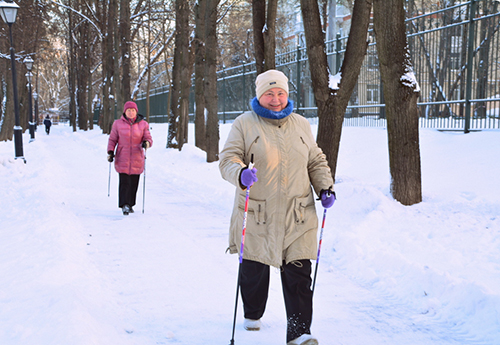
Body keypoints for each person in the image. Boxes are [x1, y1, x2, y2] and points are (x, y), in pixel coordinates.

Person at [219, 69, 336, 345]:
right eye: (269, 93)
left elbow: (315, 160)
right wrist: (240, 174)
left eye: (280, 93)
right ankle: (252, 312)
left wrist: (325, 187)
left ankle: (299, 333)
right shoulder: (244, 124)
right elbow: (228, 159)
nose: (276, 99)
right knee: (254, 271)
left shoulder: (301, 125)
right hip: (258, 213)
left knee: (298, 275)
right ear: (259, 95)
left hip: (297, 214)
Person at [107, 101, 153, 215]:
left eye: (133, 110)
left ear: (136, 112)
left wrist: (146, 143)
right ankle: (124, 204)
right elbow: (112, 139)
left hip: (137, 157)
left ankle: (131, 203)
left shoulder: (143, 124)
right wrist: (110, 151)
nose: (131, 113)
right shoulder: (117, 124)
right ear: (124, 112)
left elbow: (148, 138)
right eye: (128, 110)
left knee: (133, 183)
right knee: (124, 182)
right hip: (122, 156)